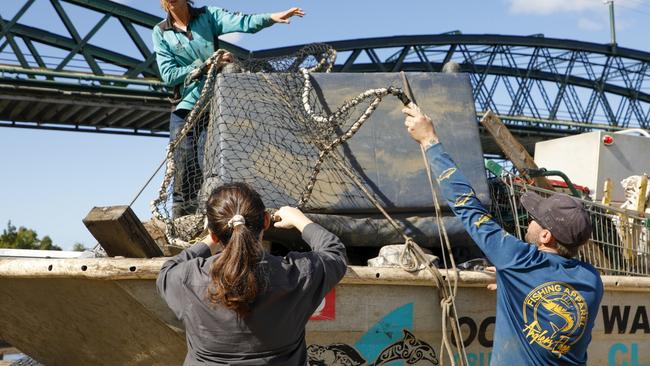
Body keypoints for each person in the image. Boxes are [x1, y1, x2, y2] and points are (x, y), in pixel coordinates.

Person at [402, 106, 603, 365]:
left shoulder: (519, 261)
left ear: (545, 236)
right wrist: (515, 282)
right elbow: (549, 287)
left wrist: (429, 140)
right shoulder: (592, 281)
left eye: (535, 219)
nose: (529, 220)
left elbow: (467, 206)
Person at [157, 182, 347, 365]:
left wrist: (211, 239)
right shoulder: (299, 274)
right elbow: (334, 252)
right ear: (265, 221)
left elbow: (168, 269)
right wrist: (299, 219)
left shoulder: (185, 279)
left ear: (214, 233)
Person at [152, 0, 305, 217]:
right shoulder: (160, 32)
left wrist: (271, 18)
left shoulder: (207, 16)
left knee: (210, 166)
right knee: (182, 168)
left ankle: (211, 221)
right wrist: (205, 65)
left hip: (213, 105)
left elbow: (243, 22)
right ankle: (180, 223)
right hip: (184, 108)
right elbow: (168, 75)